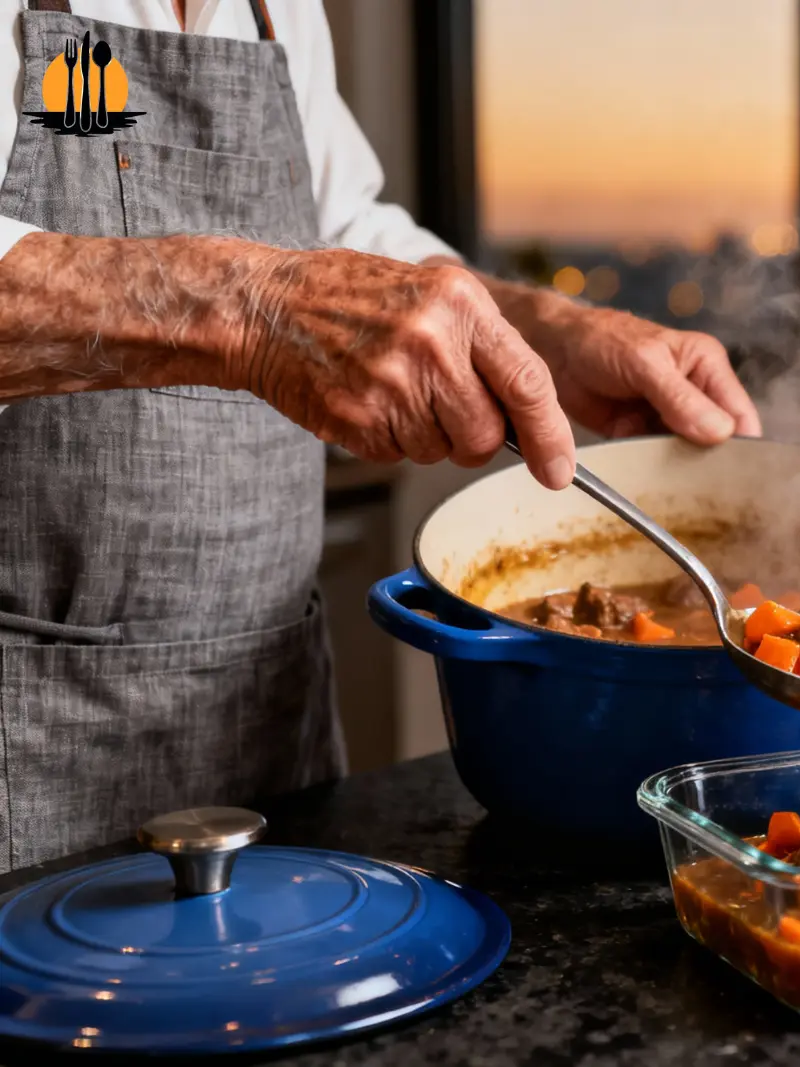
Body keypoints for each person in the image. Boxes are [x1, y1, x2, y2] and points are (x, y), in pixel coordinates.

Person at [0, 0, 761, 873]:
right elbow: (280, 282)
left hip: (267, 729)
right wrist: (249, 309)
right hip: (25, 750)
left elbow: (341, 226)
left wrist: (541, 329)